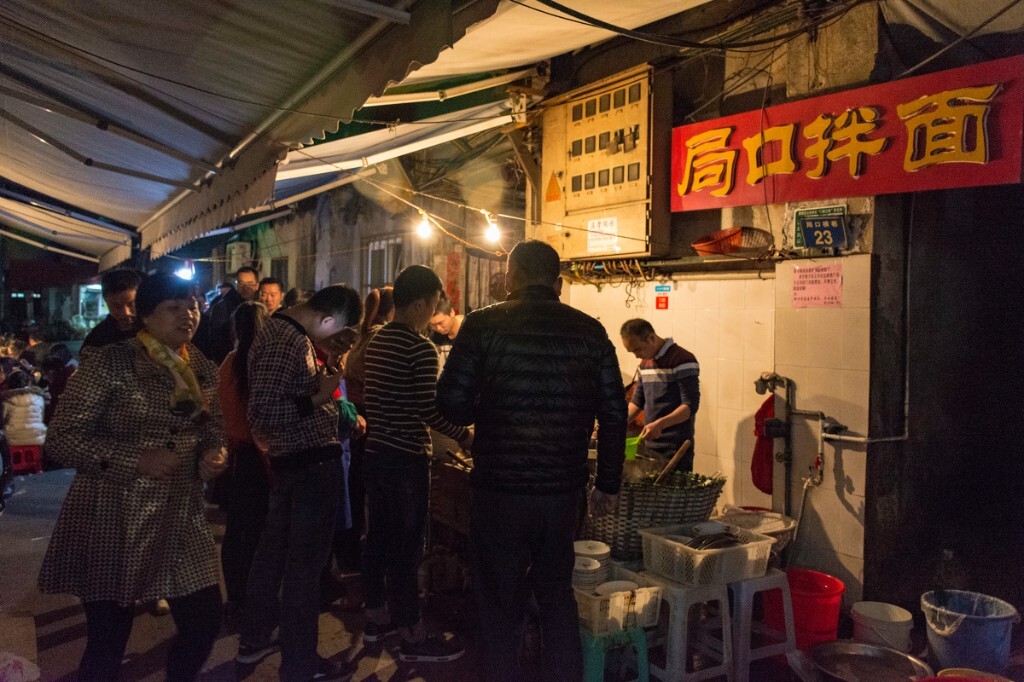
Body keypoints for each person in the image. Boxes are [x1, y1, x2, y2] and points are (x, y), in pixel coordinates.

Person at [436, 240, 627, 682]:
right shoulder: (589, 331)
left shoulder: (484, 325)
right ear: (558, 283)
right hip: (561, 496)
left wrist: (491, 400)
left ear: (510, 278)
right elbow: (615, 414)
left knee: (499, 602)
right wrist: (608, 484)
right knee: (557, 596)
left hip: (498, 490)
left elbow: (451, 404)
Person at [38, 273, 228, 682]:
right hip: (112, 517)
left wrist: (214, 453)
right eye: (173, 308)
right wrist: (135, 459)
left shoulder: (201, 365)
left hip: (180, 518)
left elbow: (210, 425)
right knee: (108, 640)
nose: (187, 315)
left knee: (205, 618)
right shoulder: (110, 362)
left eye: (192, 305)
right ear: (146, 316)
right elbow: (61, 438)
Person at [237, 284, 362, 682]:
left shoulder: (289, 336)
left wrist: (329, 367)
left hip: (299, 464)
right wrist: (321, 396)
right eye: (336, 329)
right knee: (303, 571)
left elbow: (290, 392)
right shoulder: (286, 340)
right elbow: (264, 413)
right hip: (306, 467)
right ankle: (300, 664)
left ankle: (257, 637)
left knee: (276, 556)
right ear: (327, 319)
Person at [361, 266, 471, 662]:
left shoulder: (377, 340)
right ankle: (412, 635)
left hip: (376, 454)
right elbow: (429, 410)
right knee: (407, 549)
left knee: (378, 540)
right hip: (406, 459)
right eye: (435, 304)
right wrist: (464, 434)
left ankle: (376, 618)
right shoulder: (419, 347)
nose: (435, 313)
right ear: (423, 302)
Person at [336, 286, 394, 578]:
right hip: (369, 420)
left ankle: (349, 558)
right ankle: (359, 564)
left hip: (356, 418)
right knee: (365, 493)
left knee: (354, 489)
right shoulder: (382, 338)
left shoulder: (362, 336)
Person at [218, 301, 271, 617]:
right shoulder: (262, 364)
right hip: (259, 458)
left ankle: (237, 596)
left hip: (234, 457)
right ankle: (256, 601)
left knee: (237, 532)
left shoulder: (229, 362)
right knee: (260, 533)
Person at [619, 318, 700, 467]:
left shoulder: (682, 359)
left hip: (676, 447)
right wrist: (617, 422)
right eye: (632, 352)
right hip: (649, 445)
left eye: (638, 349)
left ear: (651, 337)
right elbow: (637, 402)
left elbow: (690, 406)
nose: (636, 356)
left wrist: (661, 424)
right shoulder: (645, 364)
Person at [80, 269, 142, 360]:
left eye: (131, 304)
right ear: (105, 301)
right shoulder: (97, 338)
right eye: (116, 306)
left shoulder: (154, 329)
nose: (126, 313)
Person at [204, 266, 259, 365]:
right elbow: (216, 341)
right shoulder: (223, 307)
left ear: (257, 286)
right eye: (241, 283)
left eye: (250, 284)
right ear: (236, 284)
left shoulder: (260, 307)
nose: (245, 288)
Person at [2, 369, 47, 447]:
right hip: (38, 439)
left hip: (12, 440)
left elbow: (3, 419)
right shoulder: (39, 398)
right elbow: (42, 417)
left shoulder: (7, 399)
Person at [427, 295, 463, 368]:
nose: (438, 328)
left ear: (452, 313)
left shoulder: (471, 330)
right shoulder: (434, 336)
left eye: (441, 323)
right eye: (433, 325)